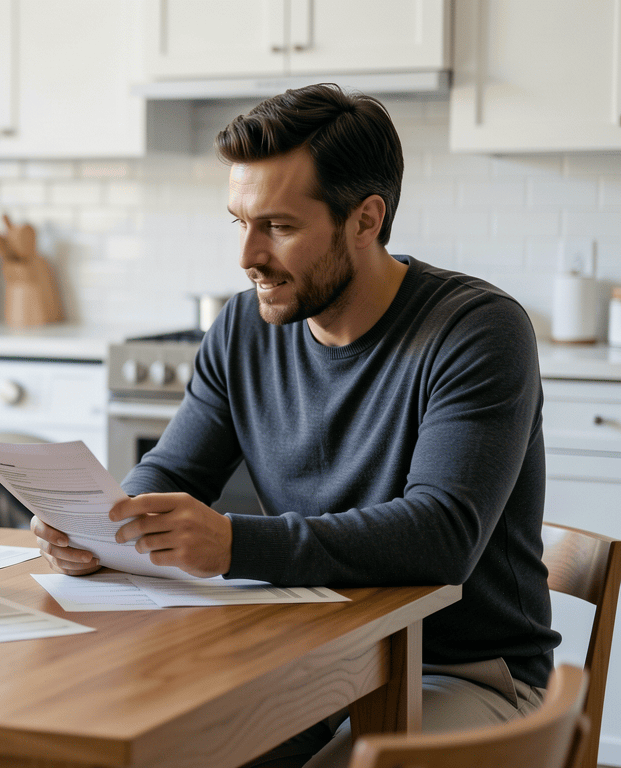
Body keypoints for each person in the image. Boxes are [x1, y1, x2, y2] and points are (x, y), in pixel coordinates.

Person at [32, 83, 558, 768]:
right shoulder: (243, 326)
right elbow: (174, 469)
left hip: (458, 671)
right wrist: (107, 524)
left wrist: (231, 544)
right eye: (239, 222)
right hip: (308, 658)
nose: (247, 256)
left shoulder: (475, 331)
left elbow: (442, 535)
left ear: (366, 220)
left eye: (278, 227)